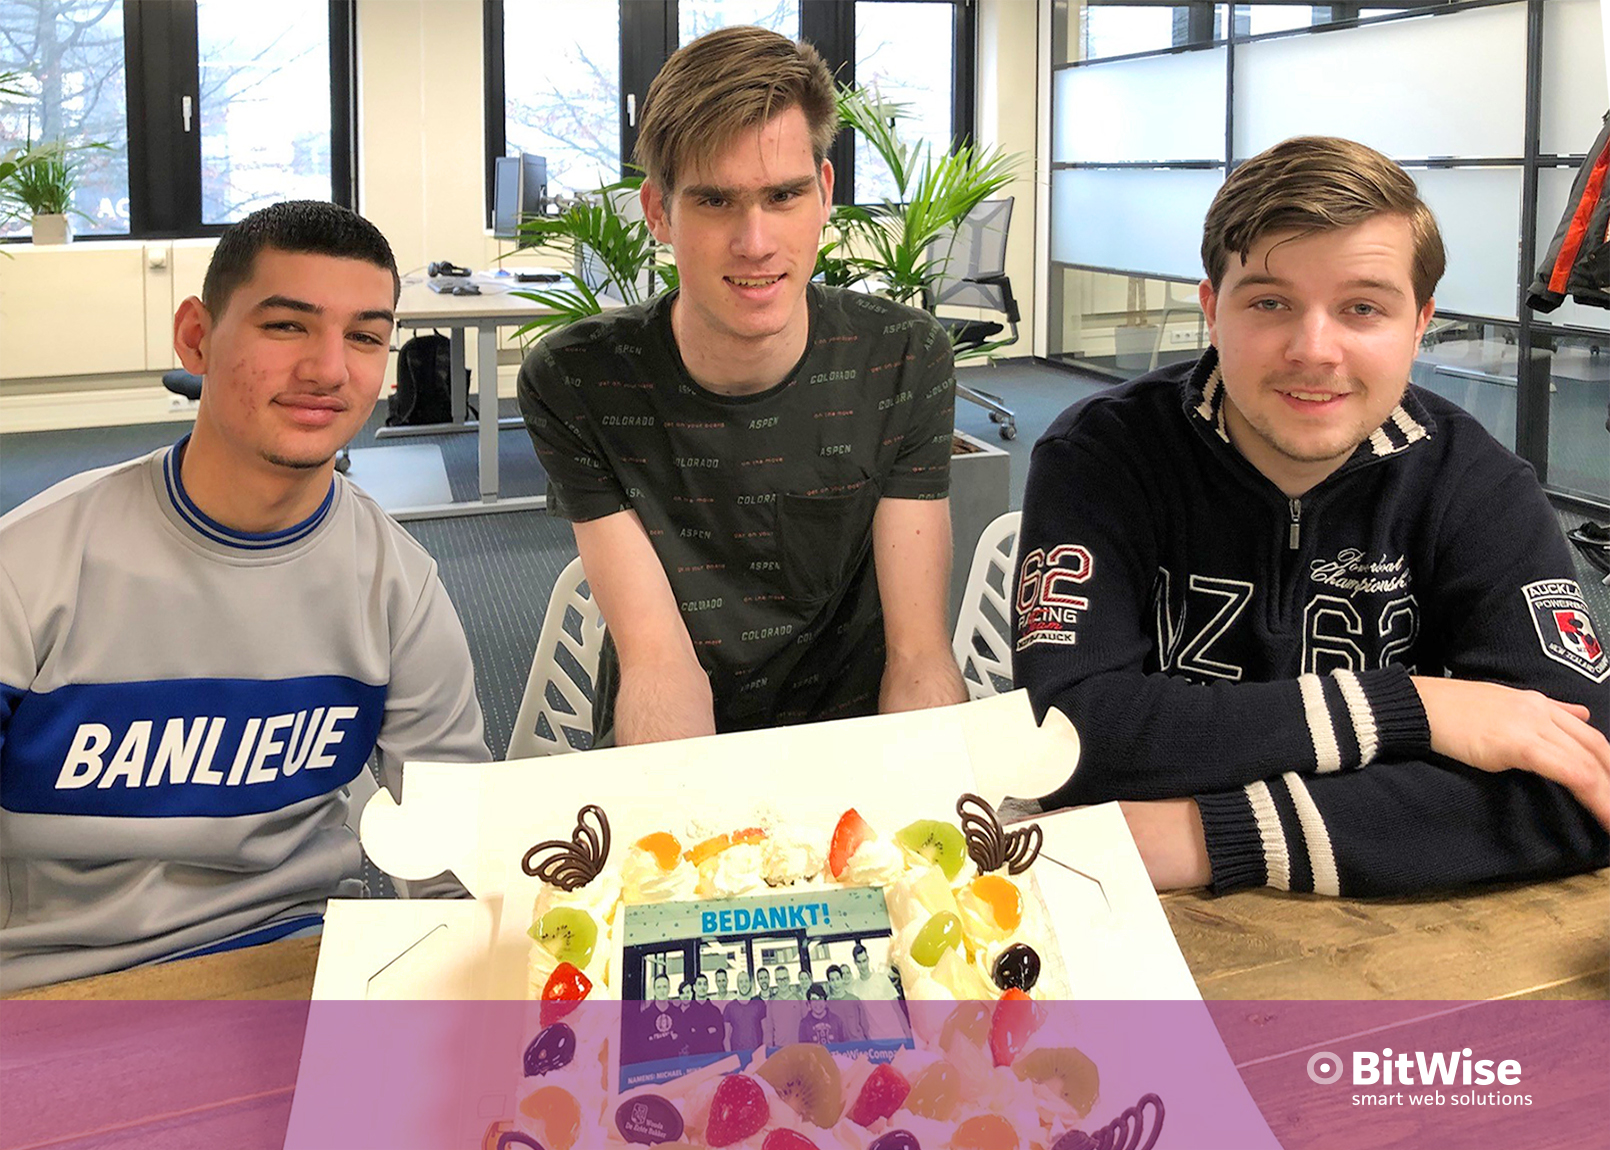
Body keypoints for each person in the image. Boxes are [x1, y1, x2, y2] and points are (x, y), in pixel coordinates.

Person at [1013, 136, 1610, 899]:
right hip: (1118, 906)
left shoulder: (1475, 485)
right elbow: (1062, 734)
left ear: (1419, 323)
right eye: (1270, 303)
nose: (1314, 350)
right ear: (1212, 310)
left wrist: (1211, 834)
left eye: (1363, 308)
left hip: (1348, 922)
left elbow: (1582, 783)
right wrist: (1411, 709)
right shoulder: (1100, 455)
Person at [0, 201, 489, 993]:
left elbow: (452, 851)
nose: (329, 370)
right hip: (59, 984)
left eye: (365, 337)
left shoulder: (397, 585)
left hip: (297, 964)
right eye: (287, 326)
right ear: (196, 336)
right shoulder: (27, 570)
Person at [518, 25, 967, 747]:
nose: (755, 244)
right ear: (659, 212)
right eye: (715, 201)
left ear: (824, 194)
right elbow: (660, 664)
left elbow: (918, 658)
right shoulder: (582, 382)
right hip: (680, 745)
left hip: (856, 748)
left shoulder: (902, 359)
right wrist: (688, 812)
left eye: (783, 195)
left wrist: (930, 801)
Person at [723, 970, 770, 1051]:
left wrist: (763, 1051)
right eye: (741, 982)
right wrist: (729, 1055)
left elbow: (765, 1031)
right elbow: (726, 1037)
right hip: (737, 1054)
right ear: (737, 985)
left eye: (746, 981)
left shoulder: (759, 1004)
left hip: (757, 1053)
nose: (744, 984)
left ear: (750, 983)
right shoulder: (729, 1007)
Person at [825, 963, 868, 1041]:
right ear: (829, 983)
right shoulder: (827, 1005)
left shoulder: (854, 1000)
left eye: (838, 979)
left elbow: (864, 1025)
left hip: (858, 1042)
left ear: (842, 979)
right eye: (832, 980)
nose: (836, 983)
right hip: (839, 1045)